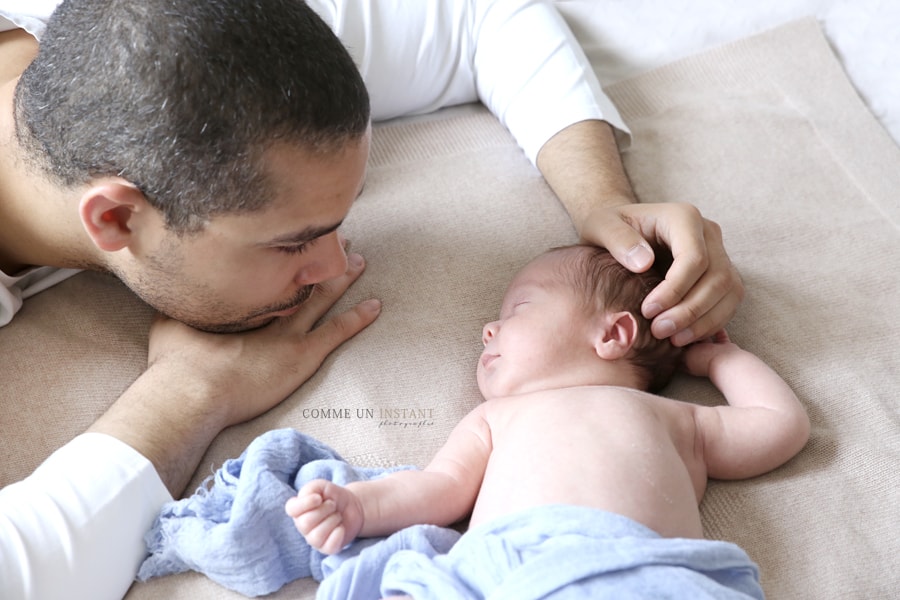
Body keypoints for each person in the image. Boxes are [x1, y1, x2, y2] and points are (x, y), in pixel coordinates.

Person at [0, 0, 744, 598]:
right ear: (117, 218)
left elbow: (484, 16)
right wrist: (191, 390)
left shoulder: (195, 32)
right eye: (293, 242)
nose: (336, 267)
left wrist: (603, 204)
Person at [287, 244, 809, 598]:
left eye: (518, 309)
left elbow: (778, 425)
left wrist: (721, 359)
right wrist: (359, 507)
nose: (488, 329)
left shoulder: (672, 418)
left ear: (612, 335)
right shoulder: (493, 418)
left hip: (635, 573)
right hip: (510, 573)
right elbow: (437, 489)